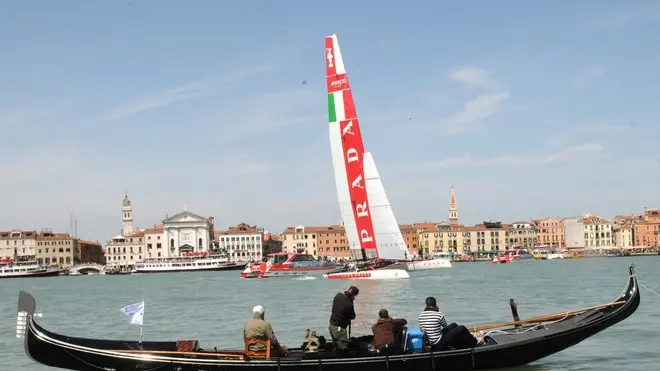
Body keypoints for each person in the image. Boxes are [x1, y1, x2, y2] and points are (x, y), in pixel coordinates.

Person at [329, 286, 359, 350]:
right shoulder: (349, 304)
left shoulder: (338, 295)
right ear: (353, 295)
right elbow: (353, 316)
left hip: (332, 326)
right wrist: (351, 301)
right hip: (340, 329)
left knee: (336, 348)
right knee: (343, 349)